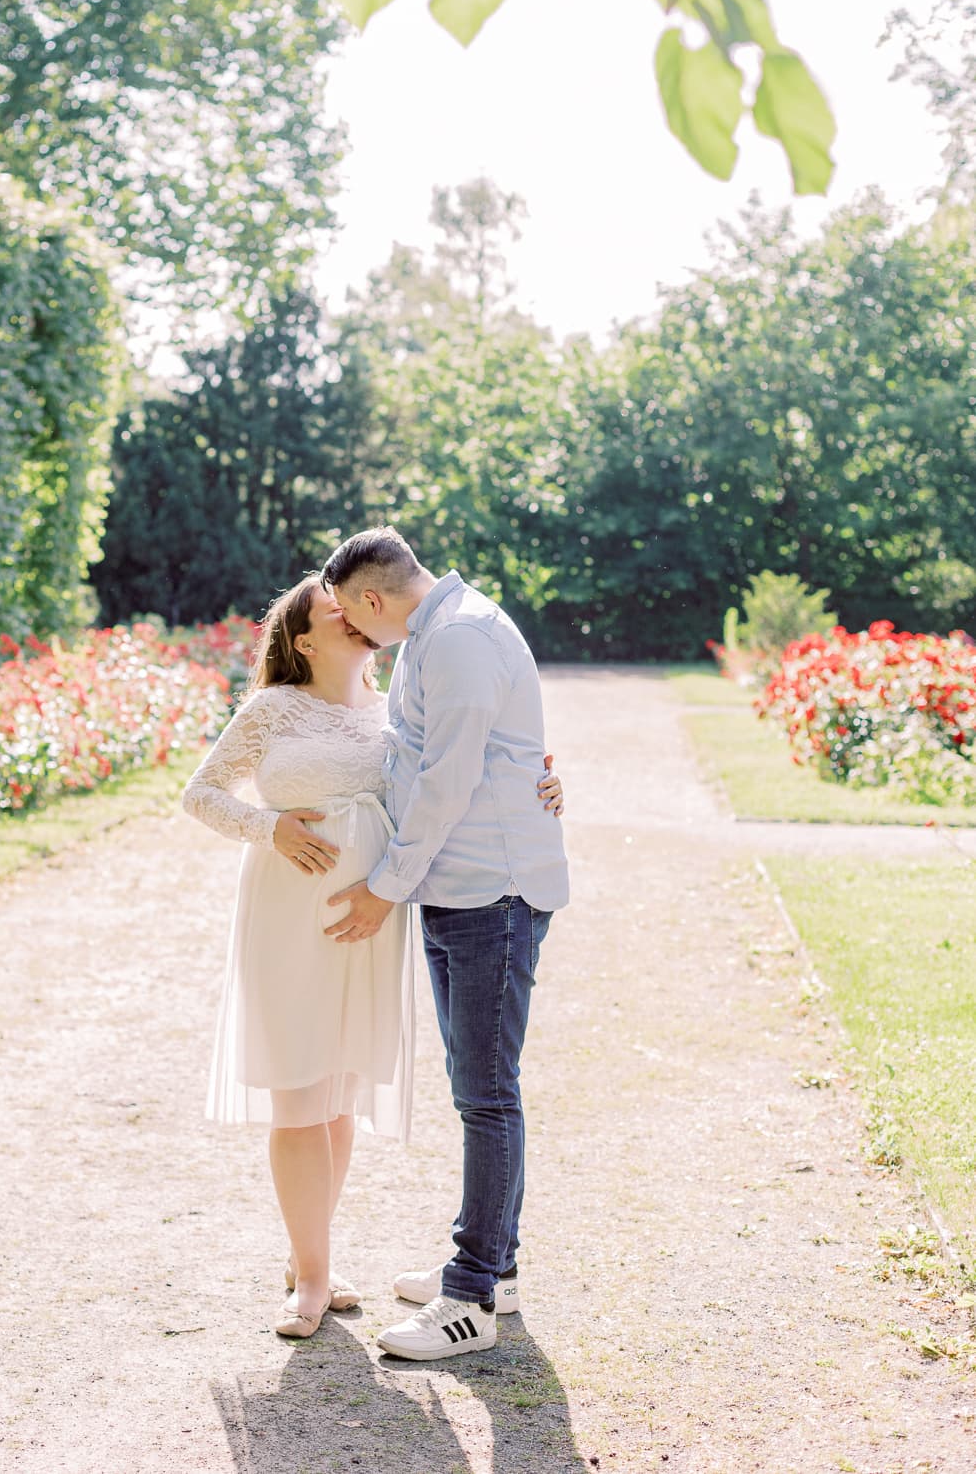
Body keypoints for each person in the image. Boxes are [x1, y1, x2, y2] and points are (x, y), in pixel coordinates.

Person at [181, 575, 563, 1340]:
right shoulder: (271, 710)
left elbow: (465, 765)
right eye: (335, 612)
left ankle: (309, 1248)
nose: (355, 620)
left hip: (368, 924)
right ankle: (313, 1277)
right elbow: (201, 793)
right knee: (297, 1094)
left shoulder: (396, 708)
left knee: (337, 1096)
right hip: (288, 917)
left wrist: (540, 781)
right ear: (304, 639)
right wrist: (270, 826)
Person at [320, 527, 570, 1362]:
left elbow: (449, 779)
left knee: (487, 1093)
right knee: (482, 1088)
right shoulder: (441, 632)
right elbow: (431, 758)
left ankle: (471, 1299)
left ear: (371, 598)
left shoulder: (458, 638)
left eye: (353, 618)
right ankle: (488, 1263)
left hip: (489, 890)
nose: (355, 634)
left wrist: (384, 883)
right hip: (462, 885)